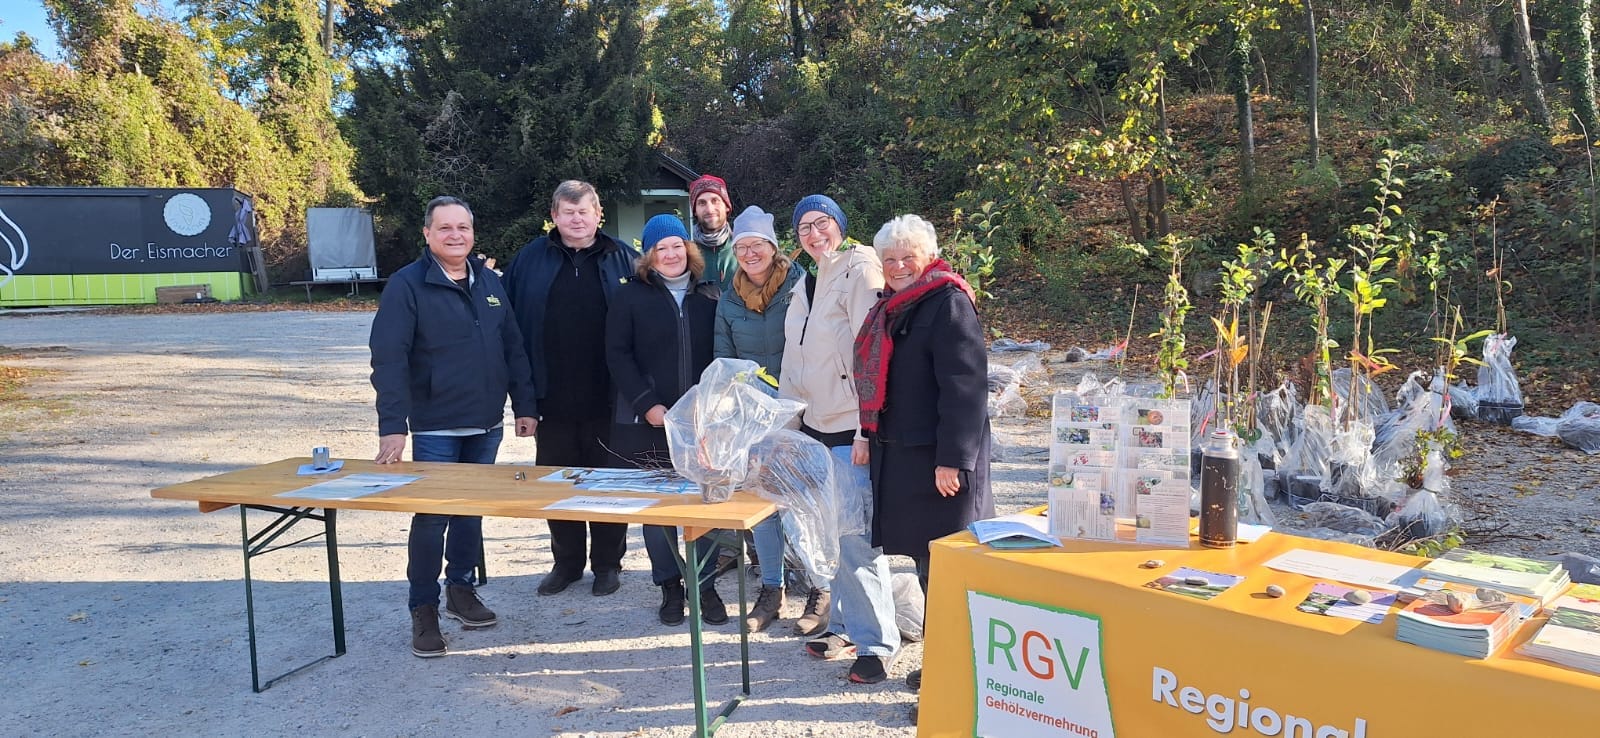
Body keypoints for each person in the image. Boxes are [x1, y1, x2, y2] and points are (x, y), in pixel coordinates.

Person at [369, 196, 538, 658]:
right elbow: (388, 360)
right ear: (427, 234)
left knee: (470, 512)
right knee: (432, 516)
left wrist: (525, 405)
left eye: (462, 227)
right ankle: (423, 608)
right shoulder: (407, 285)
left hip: (486, 424)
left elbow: (513, 347)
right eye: (445, 228)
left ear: (472, 232)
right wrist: (393, 427)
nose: (455, 235)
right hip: (436, 427)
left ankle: (461, 590)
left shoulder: (489, 282)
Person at [853, 213, 994, 696]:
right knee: (926, 566)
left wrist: (953, 459)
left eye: (906, 258)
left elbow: (966, 388)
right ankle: (942, 668)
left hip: (940, 465)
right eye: (888, 259)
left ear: (928, 258)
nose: (897, 267)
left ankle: (951, 682)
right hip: (908, 461)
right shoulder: (894, 306)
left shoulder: (948, 302)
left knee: (946, 575)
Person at [780, 194, 902, 684]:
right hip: (812, 428)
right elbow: (793, 361)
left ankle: (878, 643)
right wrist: (785, 432)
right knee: (828, 537)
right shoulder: (804, 282)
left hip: (850, 430)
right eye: (804, 226)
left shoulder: (860, 269)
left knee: (855, 541)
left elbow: (873, 357)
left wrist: (865, 429)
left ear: (841, 226)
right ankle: (844, 626)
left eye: (823, 222)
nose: (814, 233)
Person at [503, 180, 638, 598]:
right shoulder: (529, 259)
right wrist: (523, 402)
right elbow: (511, 333)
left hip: (610, 399)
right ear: (555, 216)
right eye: (568, 212)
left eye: (584, 212)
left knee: (607, 484)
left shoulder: (625, 259)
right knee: (558, 484)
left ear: (599, 214)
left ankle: (607, 565)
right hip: (552, 399)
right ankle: (566, 563)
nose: (576, 219)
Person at [605, 214, 728, 626]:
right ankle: (670, 587)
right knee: (658, 511)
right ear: (649, 255)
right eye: (661, 248)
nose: (671, 253)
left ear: (689, 249)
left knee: (702, 505)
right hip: (650, 421)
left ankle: (704, 585)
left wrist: (711, 408)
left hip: (701, 423)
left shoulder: (709, 295)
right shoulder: (630, 297)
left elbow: (722, 358)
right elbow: (617, 355)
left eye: (677, 245)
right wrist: (647, 404)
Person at [712, 205, 827, 635]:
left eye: (757, 244)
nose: (749, 253)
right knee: (763, 506)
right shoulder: (729, 297)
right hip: (754, 418)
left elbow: (817, 346)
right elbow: (722, 359)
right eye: (741, 246)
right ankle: (772, 590)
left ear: (772, 247)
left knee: (804, 504)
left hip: (801, 411)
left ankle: (820, 587)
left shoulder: (800, 286)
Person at [689, 174, 739, 293]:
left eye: (715, 201)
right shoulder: (686, 255)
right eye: (702, 203)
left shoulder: (745, 249)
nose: (710, 209)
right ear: (695, 211)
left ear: (727, 206)